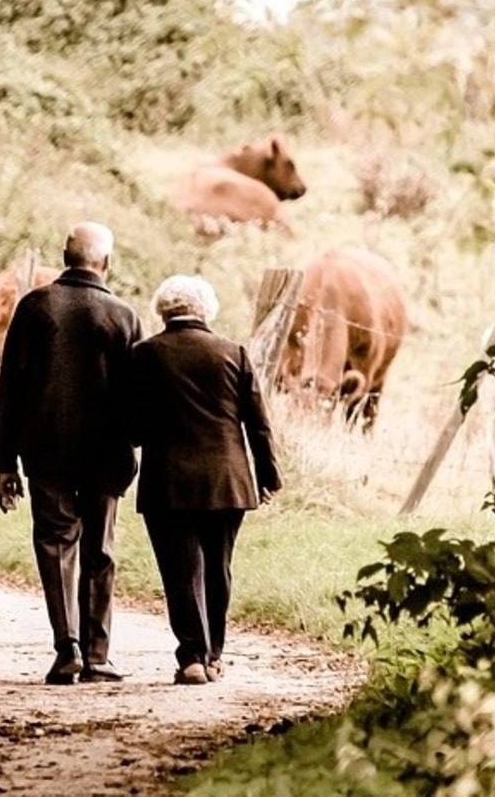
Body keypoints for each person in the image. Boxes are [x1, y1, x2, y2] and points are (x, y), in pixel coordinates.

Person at [0, 221, 144, 685]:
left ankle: (67, 649)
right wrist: (134, 444)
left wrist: (5, 462)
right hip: (106, 454)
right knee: (100, 549)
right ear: (107, 263)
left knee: (56, 545)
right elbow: (136, 395)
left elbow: (10, 390)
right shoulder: (123, 316)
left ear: (64, 256)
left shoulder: (35, 308)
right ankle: (99, 656)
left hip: (46, 451)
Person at [128, 275, 280, 685]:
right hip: (227, 479)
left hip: (168, 482)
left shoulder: (144, 355)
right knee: (218, 567)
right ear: (206, 310)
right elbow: (258, 424)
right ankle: (213, 655)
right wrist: (268, 476)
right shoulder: (234, 353)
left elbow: (134, 426)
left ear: (163, 309)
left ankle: (191, 657)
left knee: (180, 571)